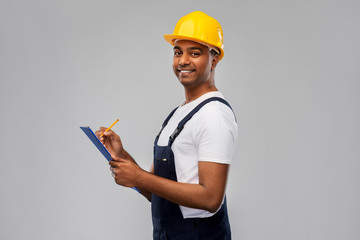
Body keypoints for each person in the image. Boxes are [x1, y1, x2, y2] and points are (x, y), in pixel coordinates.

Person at [96, 11, 238, 240]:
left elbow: (211, 199)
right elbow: (156, 192)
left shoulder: (214, 115)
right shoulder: (178, 114)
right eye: (177, 52)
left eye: (195, 53)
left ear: (215, 59)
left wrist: (138, 177)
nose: (183, 60)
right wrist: (122, 155)